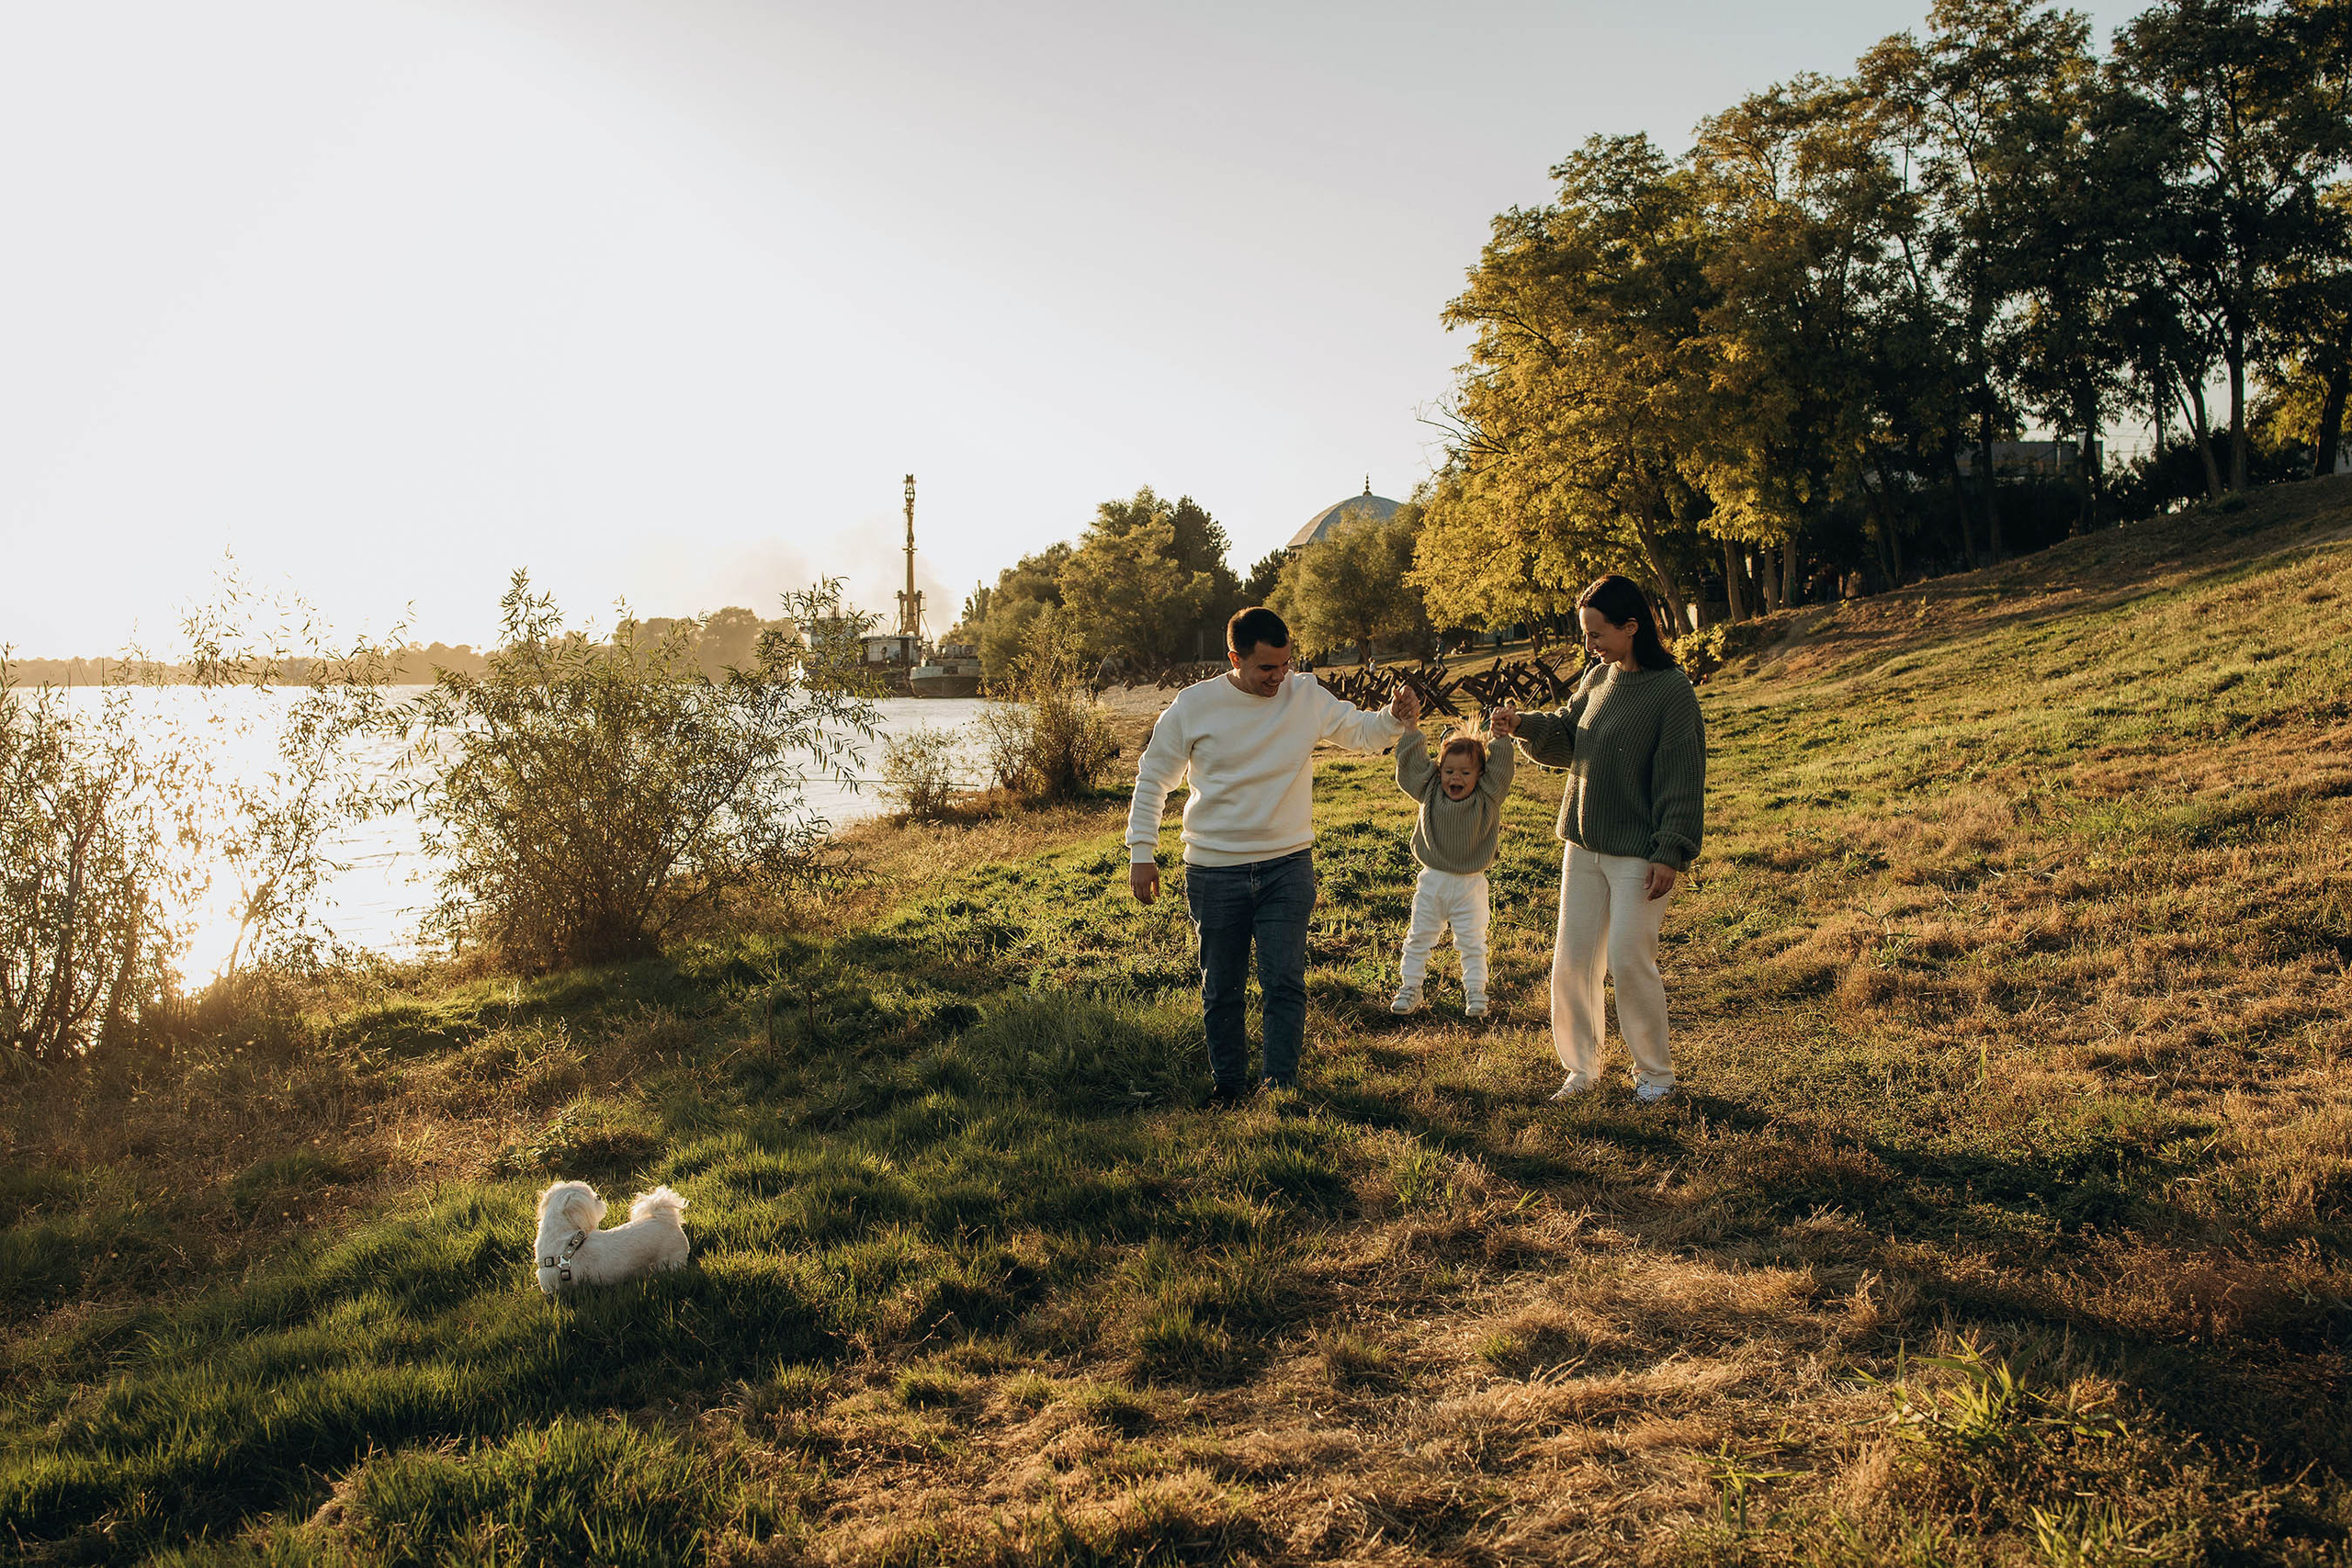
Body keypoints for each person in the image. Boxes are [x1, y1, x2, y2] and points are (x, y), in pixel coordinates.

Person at [1127, 606, 1420, 1104]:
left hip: (1288, 864)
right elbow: (1154, 777)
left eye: (1285, 664)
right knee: (1222, 987)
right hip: (1214, 869)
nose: (1278, 677)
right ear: (1234, 658)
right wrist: (1142, 851)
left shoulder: (1304, 694)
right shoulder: (1194, 705)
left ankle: (1281, 1087)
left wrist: (1394, 717)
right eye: (1266, 668)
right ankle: (1229, 1087)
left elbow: (1363, 734)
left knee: (1283, 980)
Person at [1490, 575, 1704, 1103]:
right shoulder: (1597, 677)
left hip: (1639, 853)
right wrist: (1522, 724)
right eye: (1585, 634)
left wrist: (1670, 849)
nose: (1589, 645)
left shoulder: (1671, 691)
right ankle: (1581, 1070)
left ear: (1632, 627)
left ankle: (1655, 1075)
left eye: (1596, 633)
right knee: (1575, 959)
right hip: (1583, 844)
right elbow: (1569, 736)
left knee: (1630, 960)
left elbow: (1681, 775)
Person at [1389, 728, 1515, 1017]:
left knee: (1472, 941)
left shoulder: (1488, 797)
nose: (1455, 778)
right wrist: (1410, 731)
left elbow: (1502, 771)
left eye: (1465, 773)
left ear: (1480, 776)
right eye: (1448, 771)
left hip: (1470, 887)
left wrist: (1501, 738)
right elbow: (1410, 770)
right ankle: (1411, 987)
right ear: (1438, 771)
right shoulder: (1429, 790)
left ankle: (1475, 991)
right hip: (1432, 881)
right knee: (1419, 936)